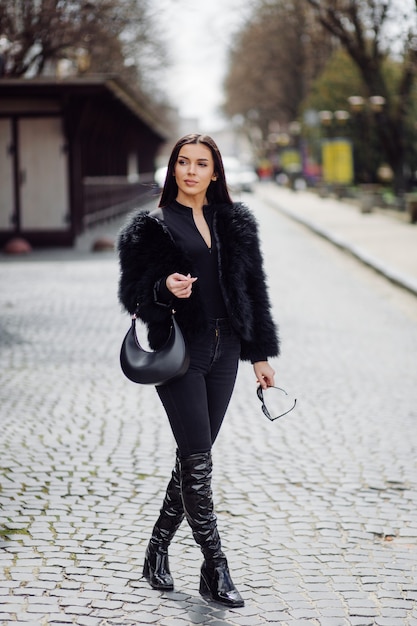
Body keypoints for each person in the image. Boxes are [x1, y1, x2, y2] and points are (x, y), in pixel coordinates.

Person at [117, 133, 279, 608]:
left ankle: (156, 551)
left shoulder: (235, 222)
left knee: (194, 457)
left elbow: (253, 292)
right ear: (172, 170)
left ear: (215, 172)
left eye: (200, 163)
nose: (190, 171)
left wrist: (260, 355)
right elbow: (134, 295)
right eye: (182, 162)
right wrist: (165, 289)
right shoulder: (149, 227)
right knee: (199, 463)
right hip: (180, 352)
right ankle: (216, 566)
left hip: (226, 349)